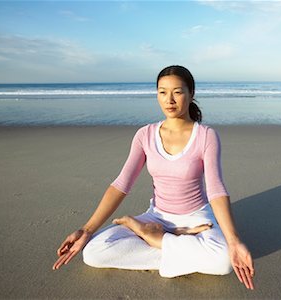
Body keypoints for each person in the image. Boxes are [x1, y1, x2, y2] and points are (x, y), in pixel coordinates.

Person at [52, 65, 255, 290]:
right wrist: (87, 230)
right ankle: (173, 240)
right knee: (93, 251)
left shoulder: (206, 136)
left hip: (195, 219)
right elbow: (121, 184)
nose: (169, 99)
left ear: (191, 94)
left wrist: (234, 241)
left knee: (223, 261)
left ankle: (157, 238)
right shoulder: (145, 135)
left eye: (177, 92)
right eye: (162, 92)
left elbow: (216, 189)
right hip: (156, 217)